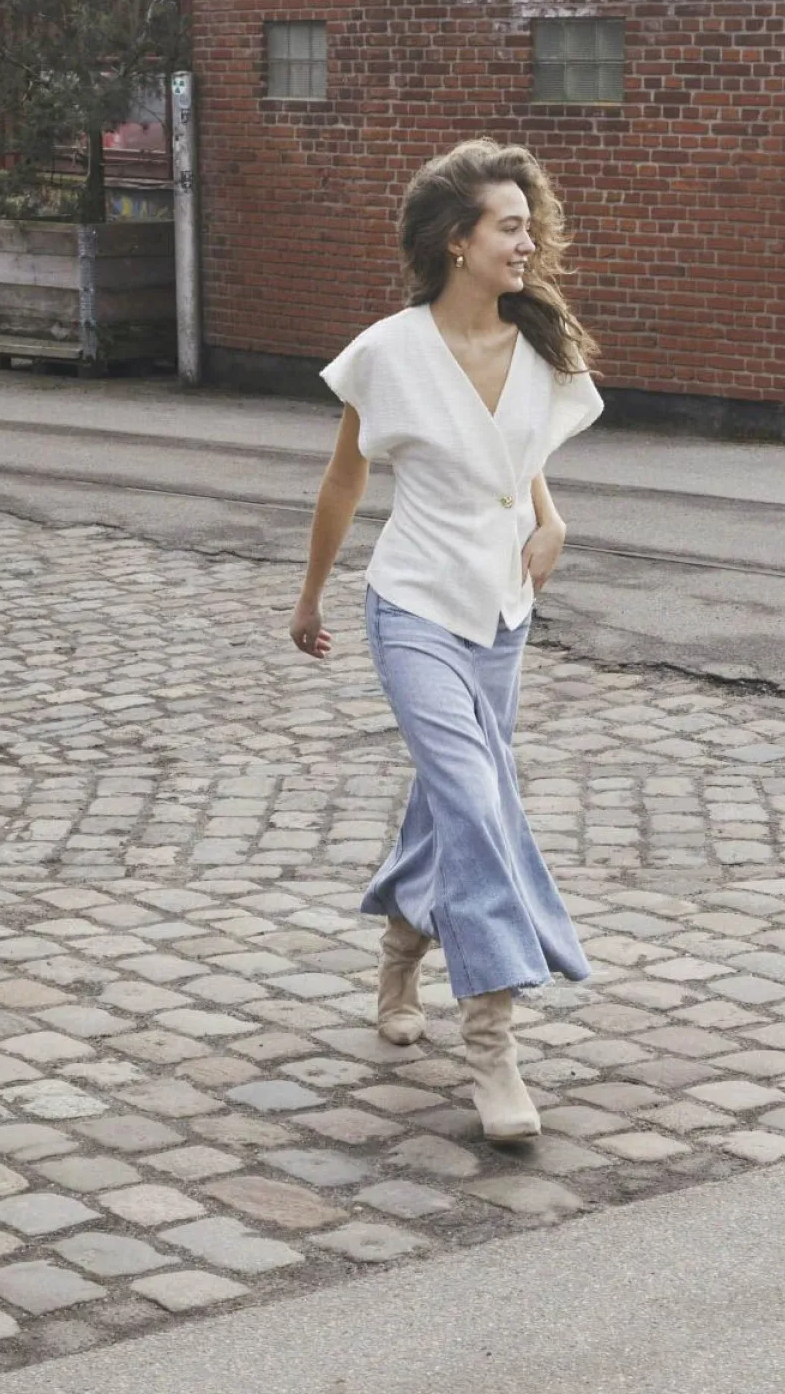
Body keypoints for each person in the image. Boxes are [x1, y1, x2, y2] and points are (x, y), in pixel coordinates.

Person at [290, 138, 604, 1142]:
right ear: (456, 240)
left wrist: (550, 518)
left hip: (502, 611)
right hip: (415, 606)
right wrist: (310, 596)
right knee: (476, 797)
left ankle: (399, 946)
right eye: (509, 227)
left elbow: (517, 455)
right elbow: (345, 480)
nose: (528, 242)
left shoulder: (540, 346)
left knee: (452, 797)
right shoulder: (388, 353)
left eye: (529, 225)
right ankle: (493, 1039)